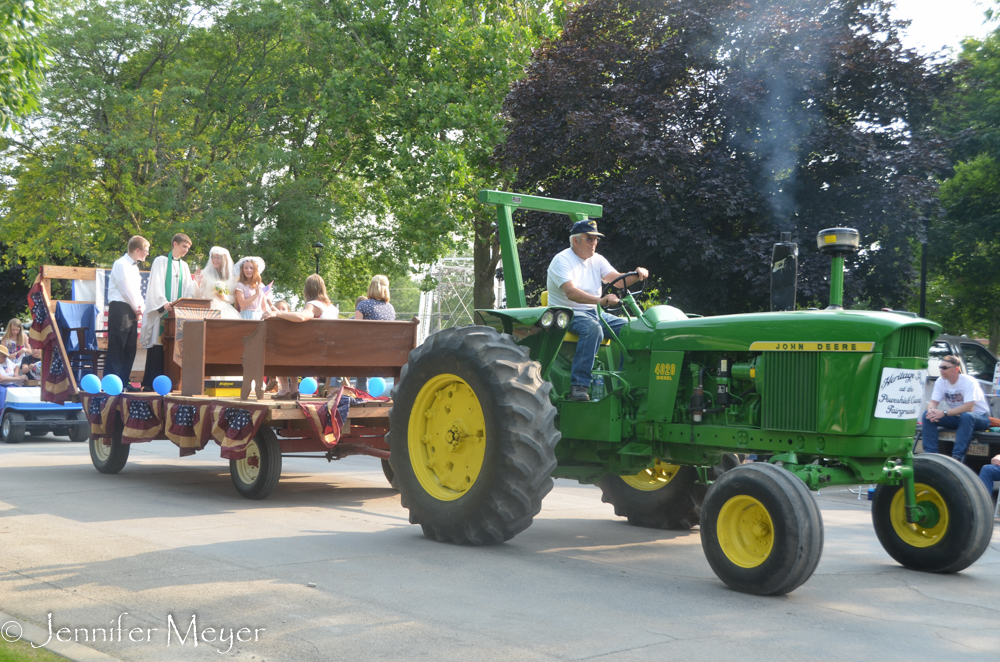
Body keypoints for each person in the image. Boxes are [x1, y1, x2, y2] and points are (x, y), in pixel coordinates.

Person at [547, 219, 648, 401]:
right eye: (589, 239)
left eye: (596, 239)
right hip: (565, 312)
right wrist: (600, 301)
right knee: (592, 329)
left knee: (631, 329)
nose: (594, 243)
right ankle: (579, 386)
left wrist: (636, 275)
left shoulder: (597, 259)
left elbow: (617, 280)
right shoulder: (561, 260)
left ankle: (626, 383)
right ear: (575, 240)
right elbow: (571, 293)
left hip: (594, 312)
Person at [264, 274, 339, 398]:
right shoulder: (332, 308)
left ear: (307, 290)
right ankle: (293, 389)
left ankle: (286, 389)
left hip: (315, 352)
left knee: (279, 348)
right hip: (331, 351)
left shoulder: (314, 304)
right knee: (290, 348)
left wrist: (276, 313)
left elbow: (302, 316)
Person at [141, 233, 199, 390]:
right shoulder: (160, 261)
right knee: (158, 345)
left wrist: (196, 283)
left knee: (174, 346)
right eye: (184, 246)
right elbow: (155, 284)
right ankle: (150, 384)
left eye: (188, 247)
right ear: (175, 244)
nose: (186, 250)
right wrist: (162, 302)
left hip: (176, 315)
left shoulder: (185, 266)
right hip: (162, 312)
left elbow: (188, 289)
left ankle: (172, 382)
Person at [921, 355, 991, 463]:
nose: (941, 370)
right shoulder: (940, 381)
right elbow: (933, 402)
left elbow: (968, 407)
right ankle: (931, 454)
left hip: (979, 418)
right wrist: (931, 410)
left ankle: (956, 457)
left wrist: (943, 412)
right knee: (927, 415)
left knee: (966, 416)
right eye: (940, 367)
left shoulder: (969, 381)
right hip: (958, 418)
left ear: (956, 369)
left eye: (945, 367)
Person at [106, 236, 149, 390]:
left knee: (130, 347)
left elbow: (137, 291)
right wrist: (137, 308)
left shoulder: (135, 267)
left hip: (132, 308)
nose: (147, 254)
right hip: (120, 308)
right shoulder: (120, 264)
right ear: (137, 250)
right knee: (118, 344)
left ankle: (124, 381)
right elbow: (126, 290)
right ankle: (112, 383)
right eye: (146, 251)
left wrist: (141, 307)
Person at [194, 246, 239, 319]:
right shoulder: (205, 273)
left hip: (224, 310)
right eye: (213, 257)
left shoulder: (231, 277)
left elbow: (233, 298)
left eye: (217, 257)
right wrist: (198, 283)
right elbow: (198, 296)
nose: (214, 260)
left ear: (224, 259)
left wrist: (224, 296)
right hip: (208, 309)